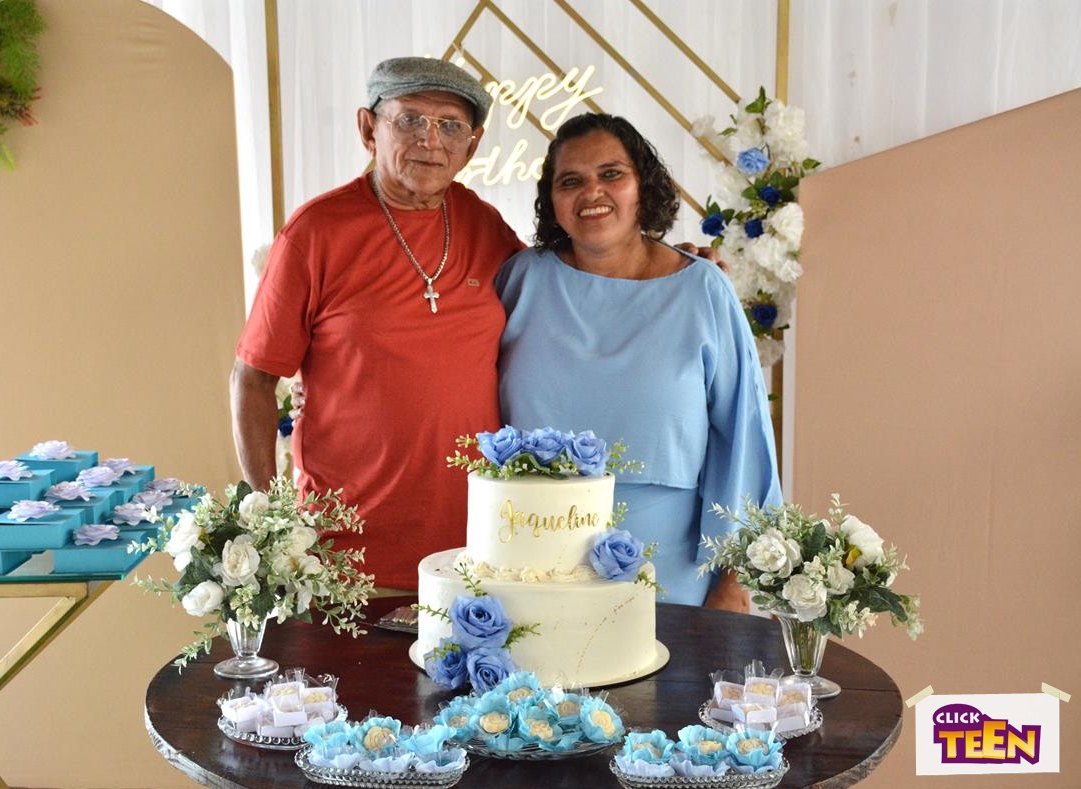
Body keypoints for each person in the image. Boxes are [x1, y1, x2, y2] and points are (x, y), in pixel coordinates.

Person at [231, 58, 523, 590]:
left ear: (471, 146)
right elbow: (252, 379)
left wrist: (664, 262)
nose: (430, 141)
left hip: (478, 551)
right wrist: (270, 520)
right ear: (369, 129)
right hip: (346, 556)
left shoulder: (486, 225)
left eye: (450, 125)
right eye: (409, 120)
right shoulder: (314, 233)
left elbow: (561, 294)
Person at [495, 113, 781, 609]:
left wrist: (735, 582)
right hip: (531, 563)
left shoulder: (703, 288)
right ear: (552, 201)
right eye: (570, 181)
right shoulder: (521, 280)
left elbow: (743, 440)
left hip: (669, 570)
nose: (592, 192)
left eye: (611, 174)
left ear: (642, 187)